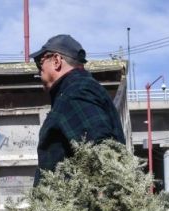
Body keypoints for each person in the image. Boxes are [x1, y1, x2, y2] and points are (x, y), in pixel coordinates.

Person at [31, 34, 126, 185]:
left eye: (39, 62)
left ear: (56, 61)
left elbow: (103, 153)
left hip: (71, 206)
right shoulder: (75, 91)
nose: (38, 71)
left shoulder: (75, 92)